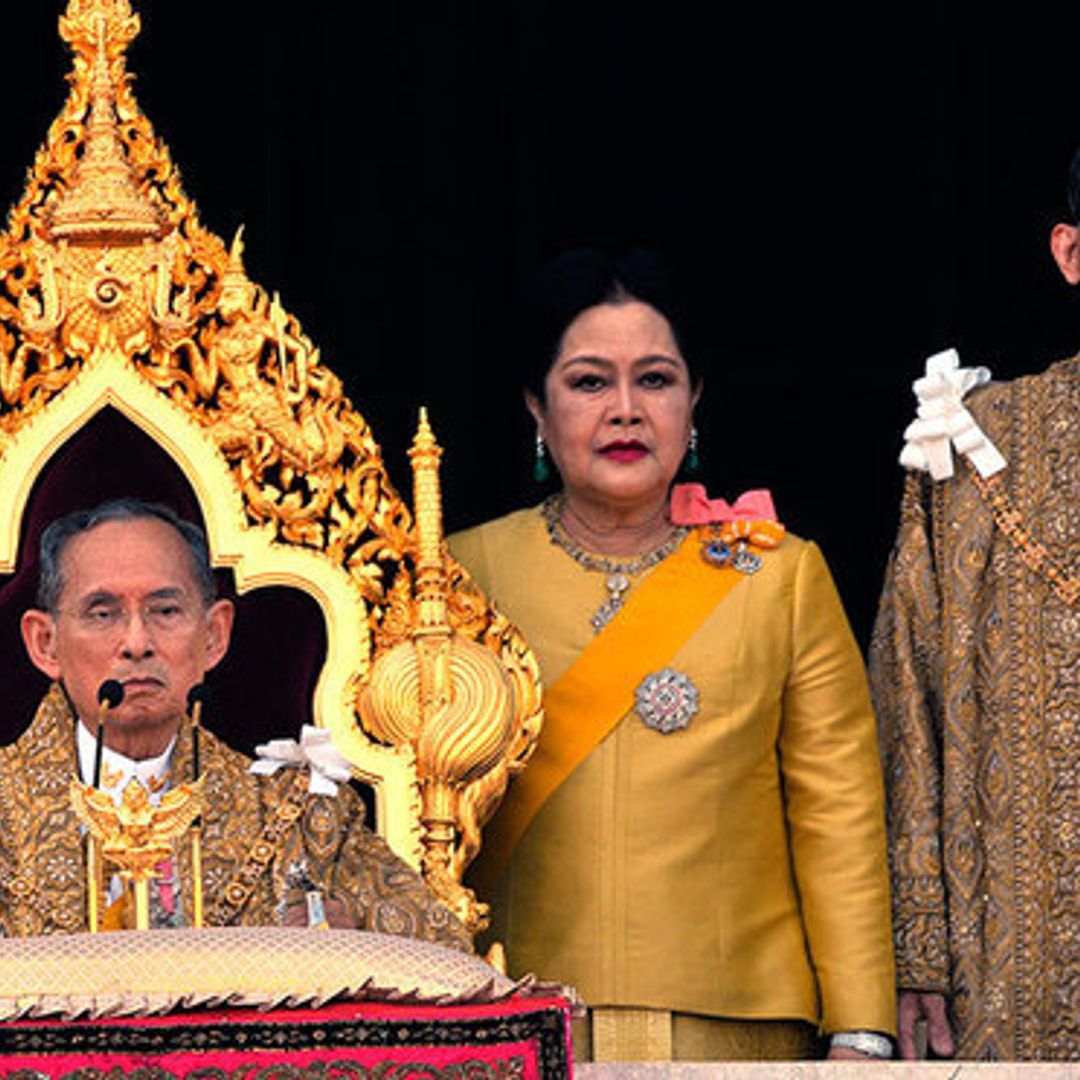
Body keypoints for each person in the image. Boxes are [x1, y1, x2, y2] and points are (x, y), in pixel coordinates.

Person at [449, 249, 895, 1062]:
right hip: (513, 1012)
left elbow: (840, 818)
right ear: (536, 410)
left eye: (654, 380)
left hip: (740, 1019)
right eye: (589, 383)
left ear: (695, 404)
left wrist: (861, 1027)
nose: (625, 410)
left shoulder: (780, 574)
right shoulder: (459, 575)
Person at [0, 497, 469, 947]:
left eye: (165, 610)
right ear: (45, 643)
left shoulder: (300, 817)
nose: (137, 642)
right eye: (103, 614)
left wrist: (351, 950)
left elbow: (445, 957)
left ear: (214, 636)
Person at [870, 152, 1080, 1061]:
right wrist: (911, 952)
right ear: (1071, 254)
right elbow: (903, 695)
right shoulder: (976, 441)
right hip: (1007, 971)